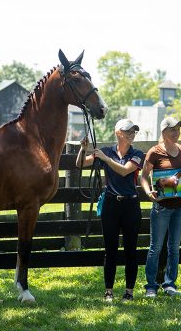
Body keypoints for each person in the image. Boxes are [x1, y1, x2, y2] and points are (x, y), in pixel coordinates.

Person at [76, 118, 145, 302]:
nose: (132, 135)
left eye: (134, 132)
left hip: (131, 205)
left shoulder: (137, 153)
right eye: (129, 131)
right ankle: (109, 291)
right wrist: (83, 148)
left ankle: (129, 292)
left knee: (131, 250)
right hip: (111, 205)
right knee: (111, 250)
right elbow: (81, 164)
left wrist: (105, 159)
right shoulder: (106, 151)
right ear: (118, 133)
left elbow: (125, 171)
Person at [140, 117, 181, 298]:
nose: (176, 133)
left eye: (178, 130)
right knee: (156, 247)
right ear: (163, 132)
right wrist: (148, 191)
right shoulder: (154, 152)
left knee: (174, 248)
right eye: (172, 130)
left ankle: (170, 284)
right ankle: (151, 286)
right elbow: (144, 176)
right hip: (161, 207)